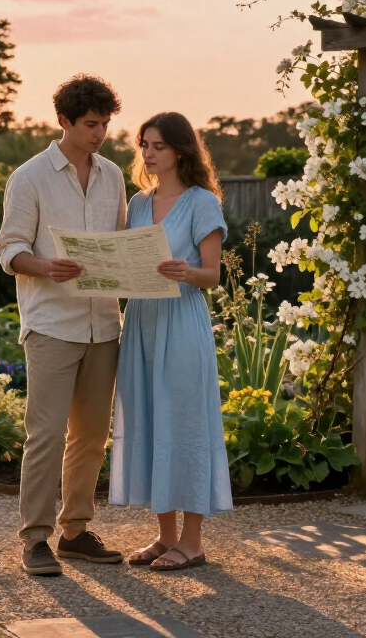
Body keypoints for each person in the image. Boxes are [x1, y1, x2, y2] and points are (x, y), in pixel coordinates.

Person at [0, 74, 128, 577]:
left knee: (92, 436)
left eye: (105, 124)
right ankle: (34, 539)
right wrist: (46, 266)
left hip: (103, 325)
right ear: (64, 122)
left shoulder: (113, 175)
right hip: (52, 324)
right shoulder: (29, 177)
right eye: (91, 124)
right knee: (46, 435)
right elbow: (9, 249)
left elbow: (115, 243)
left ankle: (75, 532)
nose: (99, 133)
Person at [110, 111, 233, 572]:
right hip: (140, 320)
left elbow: (213, 276)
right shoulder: (138, 204)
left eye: (158, 145)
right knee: (148, 421)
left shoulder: (203, 203)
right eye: (143, 144)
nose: (148, 153)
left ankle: (194, 542)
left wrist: (186, 272)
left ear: (180, 150)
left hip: (182, 322)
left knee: (185, 424)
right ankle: (164, 537)